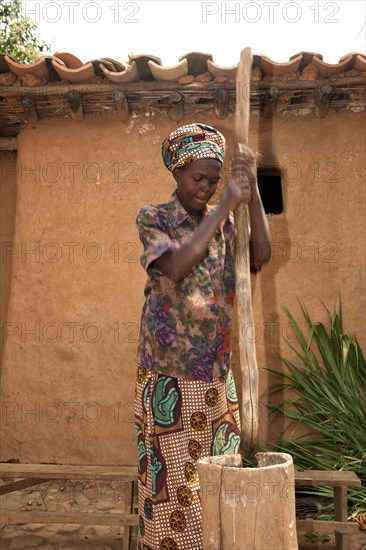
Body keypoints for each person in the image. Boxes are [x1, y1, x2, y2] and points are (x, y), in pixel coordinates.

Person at [134, 122, 271, 550]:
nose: (206, 189)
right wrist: (224, 206)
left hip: (217, 378)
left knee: (220, 478)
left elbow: (261, 256)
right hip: (168, 380)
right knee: (176, 496)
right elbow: (176, 268)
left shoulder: (228, 223)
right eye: (199, 179)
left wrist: (252, 191)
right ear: (177, 173)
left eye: (214, 181)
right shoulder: (154, 217)